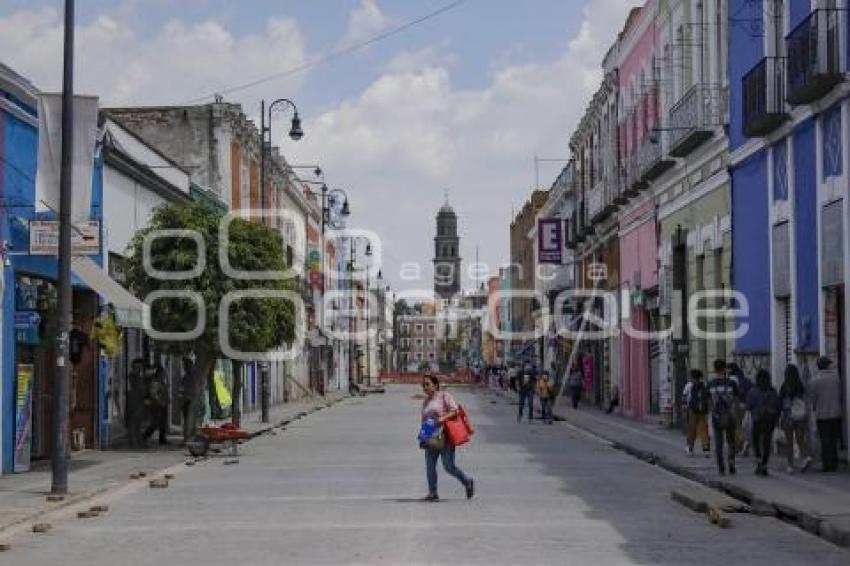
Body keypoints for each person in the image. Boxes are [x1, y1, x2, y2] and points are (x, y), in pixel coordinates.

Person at [420, 375, 474, 502]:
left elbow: (455, 410)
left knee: (449, 466)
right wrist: (423, 436)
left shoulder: (444, 396)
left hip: (445, 436)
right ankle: (433, 492)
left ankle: (467, 481)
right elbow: (425, 421)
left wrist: (442, 418)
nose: (425, 387)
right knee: (430, 467)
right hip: (431, 437)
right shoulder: (426, 401)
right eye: (423, 385)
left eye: (427, 384)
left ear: (435, 385)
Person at [809, 357, 843, 473]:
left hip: (822, 415)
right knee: (834, 440)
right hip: (836, 413)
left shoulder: (815, 380)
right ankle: (834, 463)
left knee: (825, 441)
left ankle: (827, 465)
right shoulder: (836, 378)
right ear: (828, 365)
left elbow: (813, 399)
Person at [707, 359, 740, 475]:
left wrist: (713, 412)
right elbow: (736, 400)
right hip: (730, 415)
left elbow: (709, 402)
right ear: (725, 369)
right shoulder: (732, 384)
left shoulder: (710, 384)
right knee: (731, 441)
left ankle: (721, 466)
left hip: (717, 416)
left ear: (715, 370)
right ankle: (731, 462)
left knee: (719, 442)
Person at [747, 369, 780, 476]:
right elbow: (777, 405)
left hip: (757, 419)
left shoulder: (753, 391)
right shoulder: (772, 391)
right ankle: (764, 464)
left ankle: (759, 463)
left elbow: (749, 406)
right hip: (769, 420)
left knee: (756, 443)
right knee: (766, 443)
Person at [779, 364, 811, 473]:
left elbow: (780, 400)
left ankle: (790, 465)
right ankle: (805, 457)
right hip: (800, 415)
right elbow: (804, 399)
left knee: (789, 442)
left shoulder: (785, 386)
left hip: (788, 415)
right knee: (800, 439)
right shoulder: (800, 385)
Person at [683, 370, 711, 458]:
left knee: (691, 429)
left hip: (692, 410)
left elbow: (684, 397)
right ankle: (706, 449)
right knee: (703, 429)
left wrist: (684, 410)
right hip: (703, 410)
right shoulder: (705, 385)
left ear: (692, 377)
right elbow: (708, 397)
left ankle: (689, 447)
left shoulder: (689, 385)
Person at [728, 363, 753, 456]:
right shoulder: (744, 379)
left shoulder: (731, 380)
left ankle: (742, 442)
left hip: (734, 405)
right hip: (744, 405)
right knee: (740, 426)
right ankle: (740, 446)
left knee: (734, 426)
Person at [144, 362, 169, 446]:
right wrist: (160, 402)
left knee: (162, 423)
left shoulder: (162, 382)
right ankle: (144, 436)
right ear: (159, 374)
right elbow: (154, 394)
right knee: (155, 423)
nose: (164, 375)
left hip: (163, 404)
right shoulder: (155, 383)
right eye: (163, 373)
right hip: (157, 405)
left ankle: (162, 439)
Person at [126, 358, 147, 449]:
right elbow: (139, 387)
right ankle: (134, 443)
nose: (141, 367)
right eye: (139, 365)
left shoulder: (138, 375)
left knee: (137, 422)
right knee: (133, 422)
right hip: (134, 399)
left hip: (139, 400)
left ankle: (138, 442)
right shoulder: (134, 375)